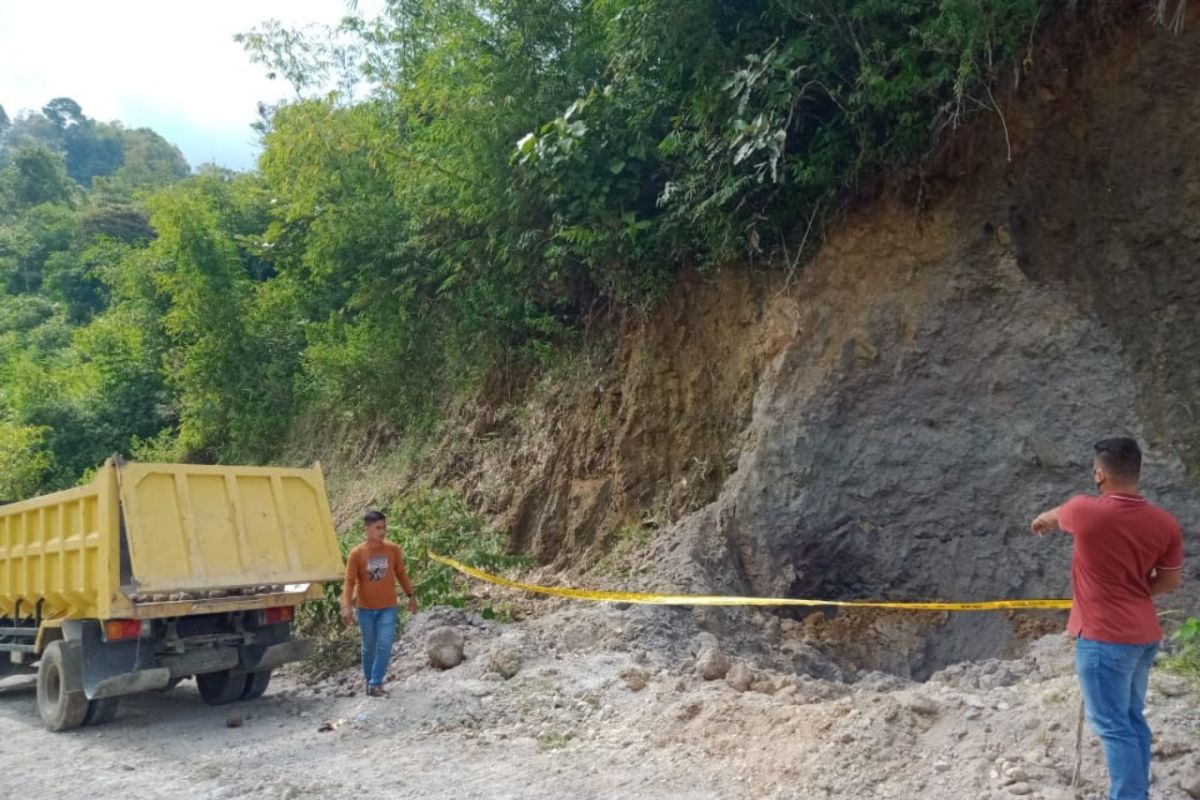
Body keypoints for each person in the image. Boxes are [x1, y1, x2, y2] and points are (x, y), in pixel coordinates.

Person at [1030, 437, 1184, 800]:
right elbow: (1170, 580)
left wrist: (1042, 521)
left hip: (1103, 639)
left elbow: (1056, 516)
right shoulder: (1165, 523)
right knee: (1131, 718)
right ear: (1138, 473)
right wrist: (1133, 590)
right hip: (1144, 635)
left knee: (1113, 726)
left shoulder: (1084, 511)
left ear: (1100, 474)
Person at [341, 510, 419, 697]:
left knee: (385, 644)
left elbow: (400, 573)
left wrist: (411, 595)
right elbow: (349, 581)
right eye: (377, 528)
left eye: (384, 527)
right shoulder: (357, 554)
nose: (382, 531)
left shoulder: (392, 550)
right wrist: (346, 605)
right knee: (369, 647)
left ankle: (376, 682)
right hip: (365, 608)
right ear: (366, 529)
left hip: (388, 607)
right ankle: (370, 682)